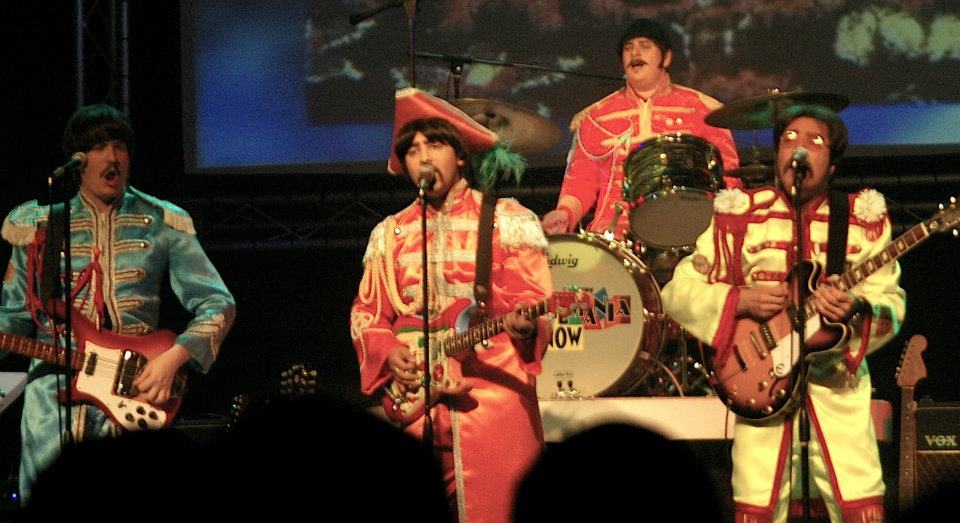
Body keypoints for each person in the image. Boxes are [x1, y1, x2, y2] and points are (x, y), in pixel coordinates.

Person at [660, 104, 906, 521]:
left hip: (836, 394)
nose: (799, 149)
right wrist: (739, 300)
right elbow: (678, 292)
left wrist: (854, 310)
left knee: (859, 501)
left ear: (832, 163)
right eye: (789, 139)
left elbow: (891, 303)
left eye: (814, 141)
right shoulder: (739, 217)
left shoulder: (862, 220)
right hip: (758, 389)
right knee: (758, 503)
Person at [0, 104, 236, 502]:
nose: (112, 157)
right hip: (51, 403)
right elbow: (12, 317)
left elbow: (218, 303)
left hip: (136, 393)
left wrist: (173, 359)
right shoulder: (39, 224)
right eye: (97, 147)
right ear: (78, 161)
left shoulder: (163, 219)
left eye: (120, 146)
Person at [350, 88, 553, 523]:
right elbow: (367, 315)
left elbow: (532, 303)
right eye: (411, 150)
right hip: (414, 409)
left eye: (434, 144)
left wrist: (523, 325)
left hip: (489, 404)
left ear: (460, 156)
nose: (422, 157)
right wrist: (389, 351)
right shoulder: (389, 235)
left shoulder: (506, 220)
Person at [541, 17, 741, 239]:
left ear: (666, 58)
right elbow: (580, 182)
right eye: (628, 48)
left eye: (645, 46)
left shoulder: (704, 110)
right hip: (614, 240)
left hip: (692, 234)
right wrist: (564, 213)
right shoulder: (596, 118)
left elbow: (729, 178)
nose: (635, 53)